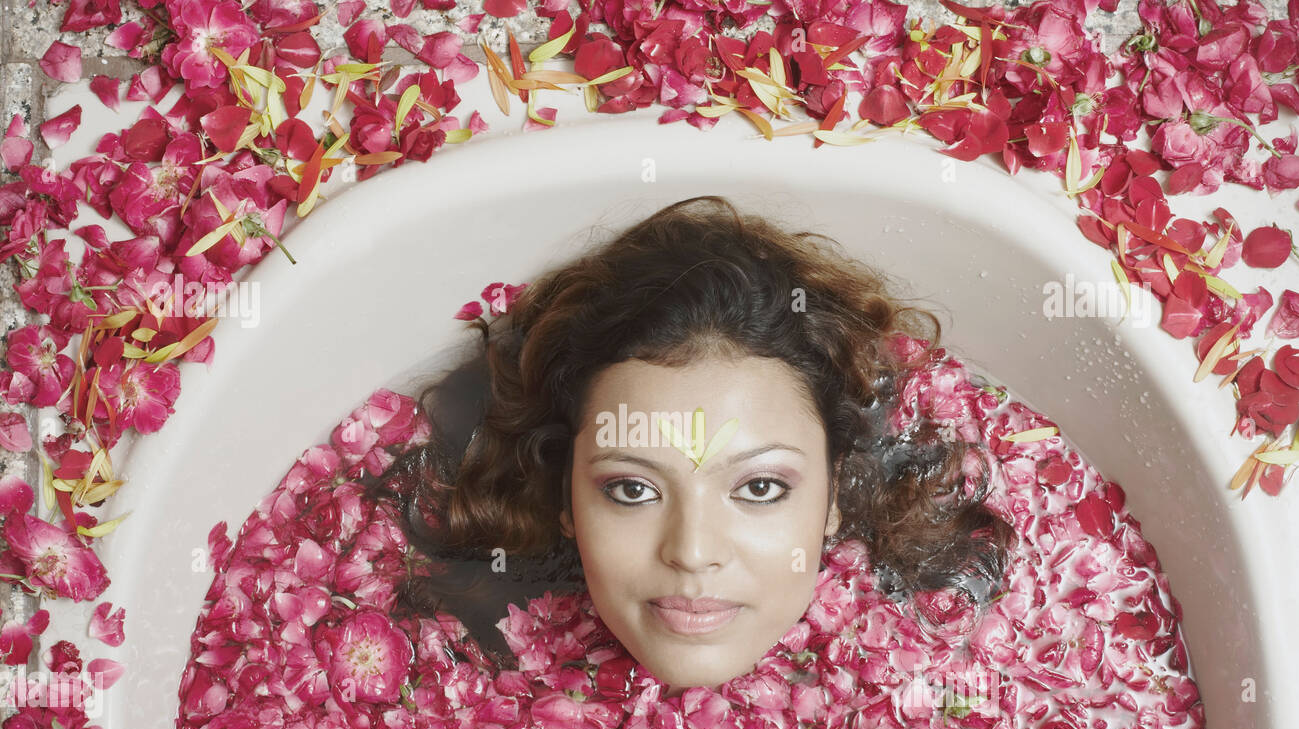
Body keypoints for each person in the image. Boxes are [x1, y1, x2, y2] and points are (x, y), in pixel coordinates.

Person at [362, 195, 1014, 695]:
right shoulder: (448, 656)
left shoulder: (956, 661)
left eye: (759, 488)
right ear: (564, 492)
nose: (692, 553)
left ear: (835, 493)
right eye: (633, 489)